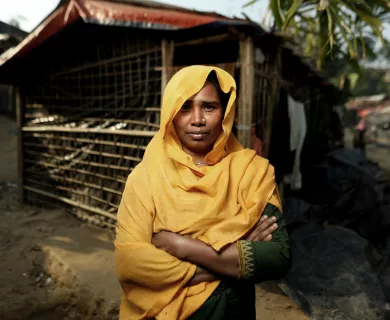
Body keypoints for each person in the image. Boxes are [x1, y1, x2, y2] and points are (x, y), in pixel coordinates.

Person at [115, 65, 291, 320]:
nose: (197, 119)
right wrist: (233, 257)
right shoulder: (145, 179)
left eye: (209, 107)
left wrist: (183, 246)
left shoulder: (252, 171)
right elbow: (130, 265)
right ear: (171, 114)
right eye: (185, 107)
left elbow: (278, 257)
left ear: (225, 112)